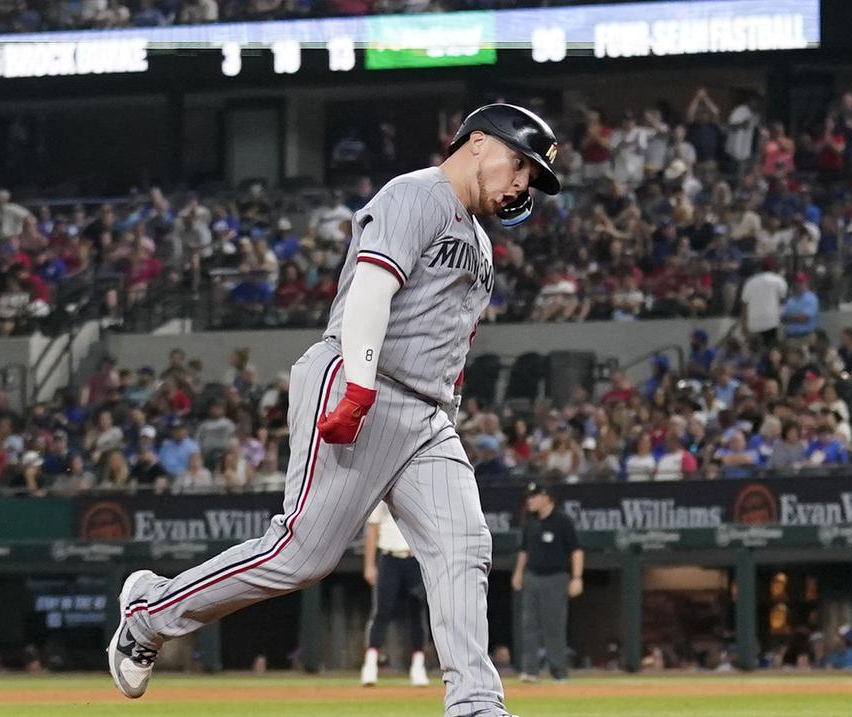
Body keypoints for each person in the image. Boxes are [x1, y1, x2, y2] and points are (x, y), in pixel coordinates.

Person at [108, 103, 560, 717]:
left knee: (464, 545)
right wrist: (360, 387)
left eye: (531, 178)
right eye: (520, 165)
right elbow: (372, 289)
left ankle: (476, 704)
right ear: (477, 142)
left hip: (427, 417)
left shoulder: (480, 240)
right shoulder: (415, 195)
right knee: (299, 557)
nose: (522, 185)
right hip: (361, 380)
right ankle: (148, 613)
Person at [511, 482, 583, 684]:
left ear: (546, 497)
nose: (530, 501)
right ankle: (530, 670)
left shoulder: (562, 521)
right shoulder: (530, 522)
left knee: (554, 626)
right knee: (529, 625)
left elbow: (576, 550)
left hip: (556, 578)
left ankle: (559, 672)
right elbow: (524, 550)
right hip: (532, 577)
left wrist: (577, 577)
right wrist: (518, 573)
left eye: (533, 497)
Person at [360, 501, 429, 688]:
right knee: (381, 611)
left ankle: (418, 667)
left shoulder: (418, 496)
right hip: (389, 558)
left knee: (417, 613)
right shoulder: (382, 497)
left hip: (415, 558)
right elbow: (372, 529)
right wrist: (369, 565)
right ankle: (370, 665)